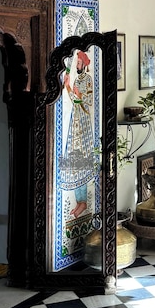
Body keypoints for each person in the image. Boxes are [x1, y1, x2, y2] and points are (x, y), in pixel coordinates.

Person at [59, 50, 96, 220]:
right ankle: (79, 201)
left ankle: (84, 202)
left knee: (82, 163)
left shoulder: (87, 80)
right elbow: (74, 99)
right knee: (75, 164)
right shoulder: (77, 79)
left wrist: (79, 94)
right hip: (75, 123)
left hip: (84, 124)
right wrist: (67, 85)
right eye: (77, 63)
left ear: (84, 65)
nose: (77, 65)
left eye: (79, 63)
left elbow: (88, 100)